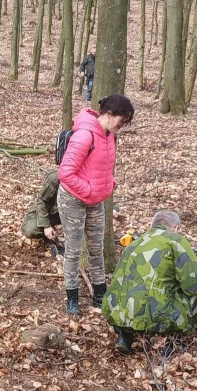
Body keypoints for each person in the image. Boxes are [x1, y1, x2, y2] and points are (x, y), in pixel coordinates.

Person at [57, 94, 134, 317]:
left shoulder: (110, 136)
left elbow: (104, 167)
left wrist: (108, 185)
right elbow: (66, 173)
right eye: (122, 120)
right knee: (73, 250)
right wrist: (90, 190)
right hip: (73, 199)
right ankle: (72, 298)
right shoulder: (84, 135)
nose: (122, 125)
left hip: (95, 200)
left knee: (96, 249)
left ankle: (100, 294)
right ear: (109, 114)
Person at [103, 210, 197, 355]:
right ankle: (173, 339)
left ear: (152, 225)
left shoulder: (133, 243)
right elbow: (193, 285)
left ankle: (125, 337)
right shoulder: (176, 240)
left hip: (118, 314)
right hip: (158, 316)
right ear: (176, 228)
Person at [21, 169, 62, 254]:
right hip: (51, 211)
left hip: (71, 214)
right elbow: (42, 201)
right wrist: (46, 226)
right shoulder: (55, 178)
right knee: (30, 230)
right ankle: (48, 238)